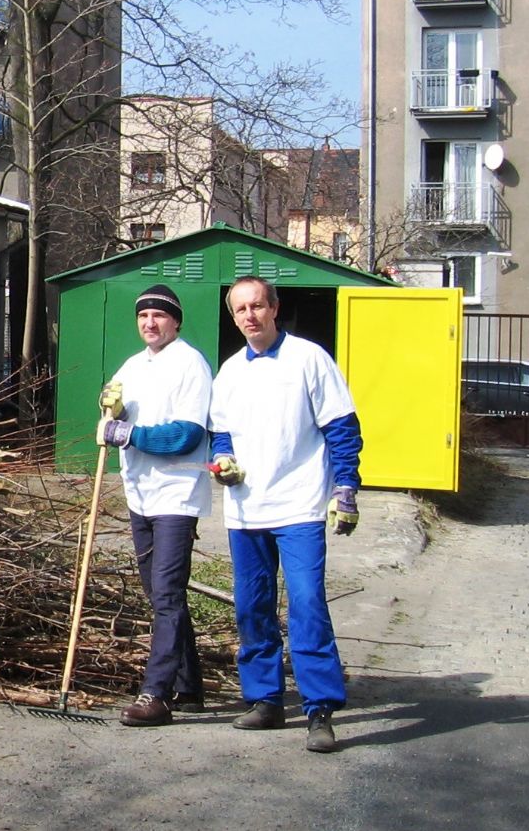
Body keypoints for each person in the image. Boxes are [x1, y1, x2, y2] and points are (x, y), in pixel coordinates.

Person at [208, 275, 363, 753]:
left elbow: (341, 428)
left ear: (274, 308)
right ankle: (265, 700)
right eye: (240, 310)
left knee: (307, 603)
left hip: (299, 505)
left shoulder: (309, 359)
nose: (250, 316)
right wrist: (223, 464)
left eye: (257, 306)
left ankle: (319, 709)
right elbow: (221, 435)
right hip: (246, 510)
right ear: (233, 317)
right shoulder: (230, 373)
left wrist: (347, 488)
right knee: (252, 607)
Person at [96, 283, 212, 728]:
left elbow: (187, 434)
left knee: (166, 593)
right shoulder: (133, 364)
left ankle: (157, 693)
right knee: (157, 593)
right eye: (143, 315)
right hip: (139, 492)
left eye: (159, 316)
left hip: (176, 494)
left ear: (176, 321)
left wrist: (133, 435)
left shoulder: (190, 365)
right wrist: (112, 411)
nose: (150, 323)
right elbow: (115, 411)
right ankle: (190, 686)